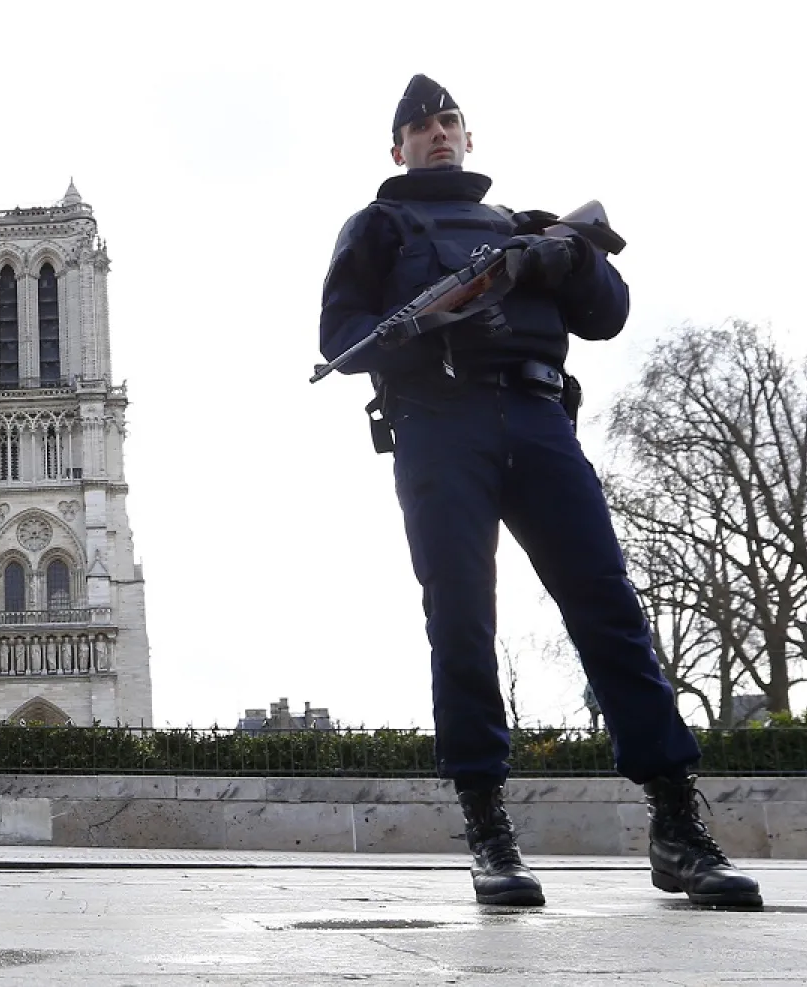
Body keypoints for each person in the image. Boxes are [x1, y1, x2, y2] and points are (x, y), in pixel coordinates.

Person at [318, 74, 760, 908]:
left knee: (608, 607)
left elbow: (608, 315)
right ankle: (488, 830)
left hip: (536, 415)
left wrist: (572, 258)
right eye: (420, 128)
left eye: (449, 122)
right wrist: (441, 322)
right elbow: (343, 343)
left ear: (468, 137)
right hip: (438, 425)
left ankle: (676, 826)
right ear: (396, 150)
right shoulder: (378, 227)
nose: (438, 134)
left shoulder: (522, 227)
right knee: (460, 618)